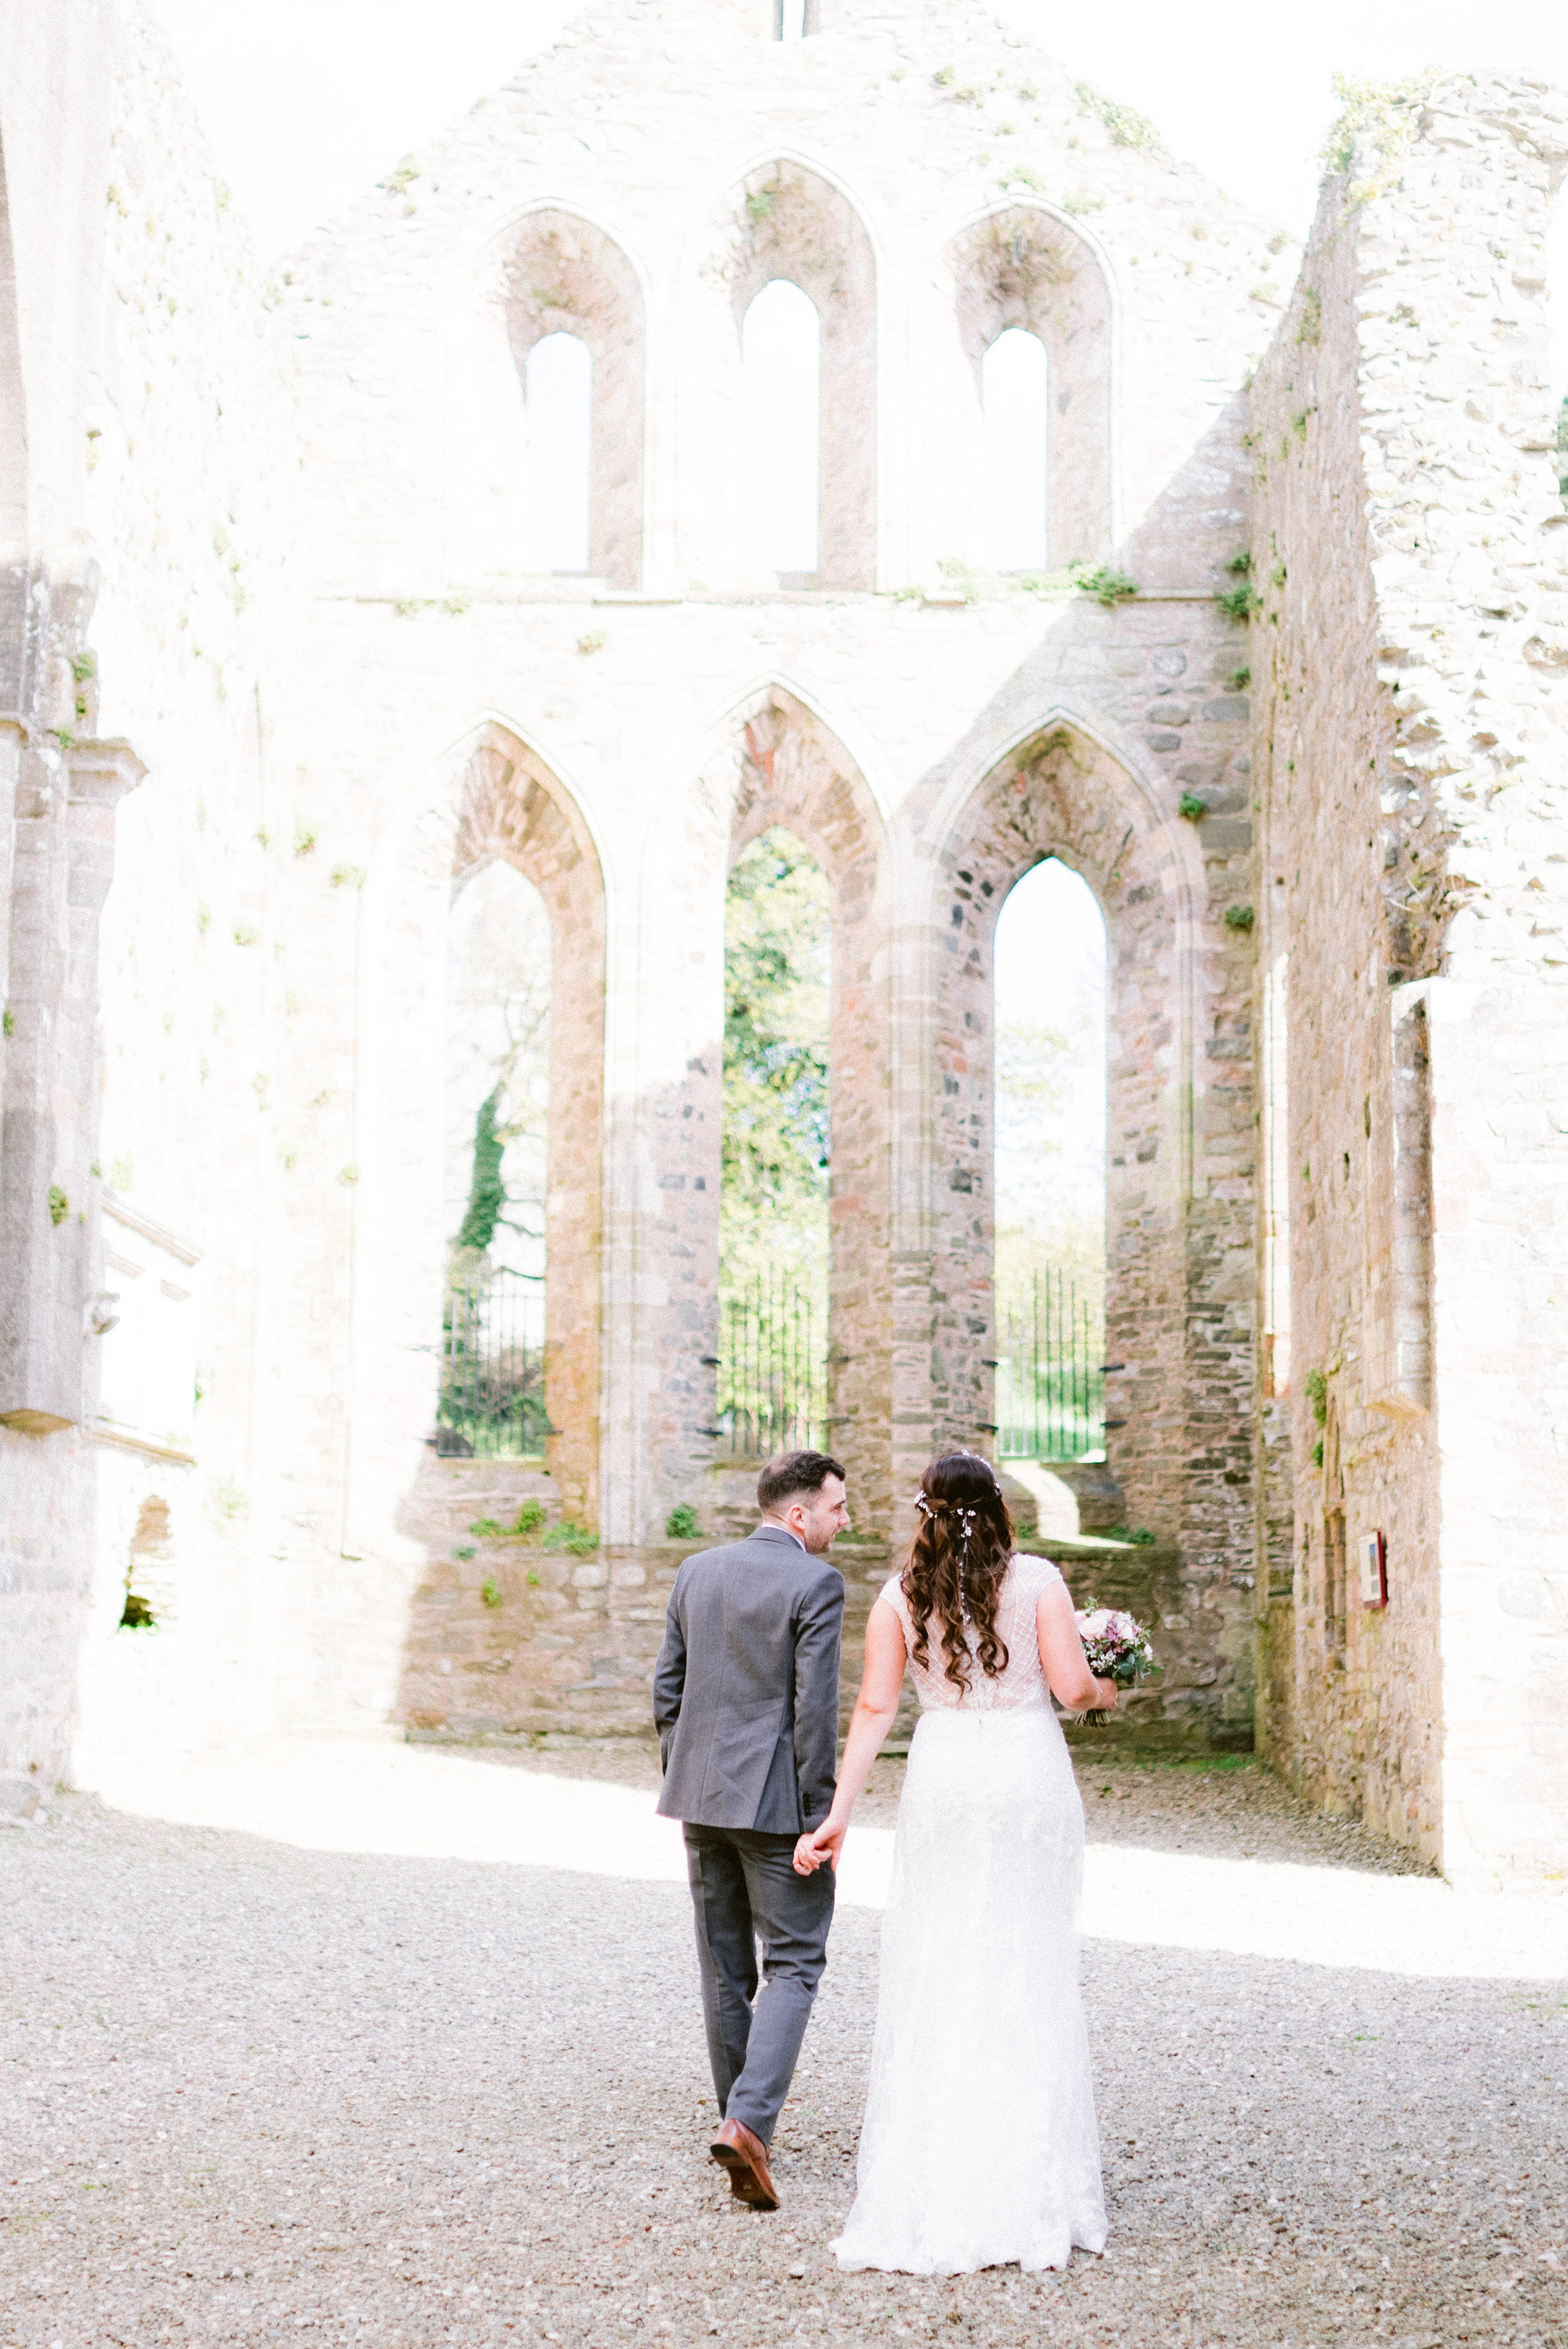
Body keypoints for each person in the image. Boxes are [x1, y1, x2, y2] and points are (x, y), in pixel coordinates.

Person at [793, 1450, 1115, 2275]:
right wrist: (1114, 1689)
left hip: (946, 1781)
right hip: (1023, 1775)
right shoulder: (1039, 1579)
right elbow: (1075, 1688)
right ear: (999, 1508)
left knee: (943, 1961)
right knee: (1026, 1962)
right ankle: (1028, 2186)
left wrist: (838, 1817)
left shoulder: (899, 1595)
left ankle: (937, 2180)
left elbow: (873, 1707)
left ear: (923, 1512)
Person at [653, 1448, 850, 2214]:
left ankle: (735, 2116)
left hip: (697, 1797)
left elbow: (667, 1686)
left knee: (723, 1962)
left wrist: (687, 1768)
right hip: (775, 1807)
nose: (844, 1519)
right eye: (837, 1506)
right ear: (798, 1513)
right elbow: (814, 1711)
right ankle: (749, 2124)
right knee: (796, 1960)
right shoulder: (816, 1582)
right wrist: (820, 1815)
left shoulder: (697, 1569)